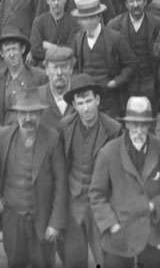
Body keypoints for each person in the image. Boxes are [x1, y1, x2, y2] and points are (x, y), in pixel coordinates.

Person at [89, 94, 160, 268]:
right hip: (118, 236)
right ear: (126, 124)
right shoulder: (109, 152)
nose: (139, 130)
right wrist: (110, 224)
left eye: (144, 124)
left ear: (150, 124)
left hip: (150, 234)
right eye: (135, 124)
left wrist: (154, 206)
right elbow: (96, 194)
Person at [0, 84, 67, 268]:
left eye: (33, 113)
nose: (28, 118)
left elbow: (61, 183)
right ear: (16, 115)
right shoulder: (2, 137)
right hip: (12, 218)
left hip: (42, 218)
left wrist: (56, 223)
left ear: (41, 115)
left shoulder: (52, 139)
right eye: (23, 113)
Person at [60, 74, 123, 268]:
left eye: (89, 101)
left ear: (97, 100)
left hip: (100, 204)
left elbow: (119, 175)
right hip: (73, 202)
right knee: (73, 260)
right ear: (74, 105)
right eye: (80, 103)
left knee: (104, 260)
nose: (86, 108)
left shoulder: (114, 129)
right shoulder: (65, 127)